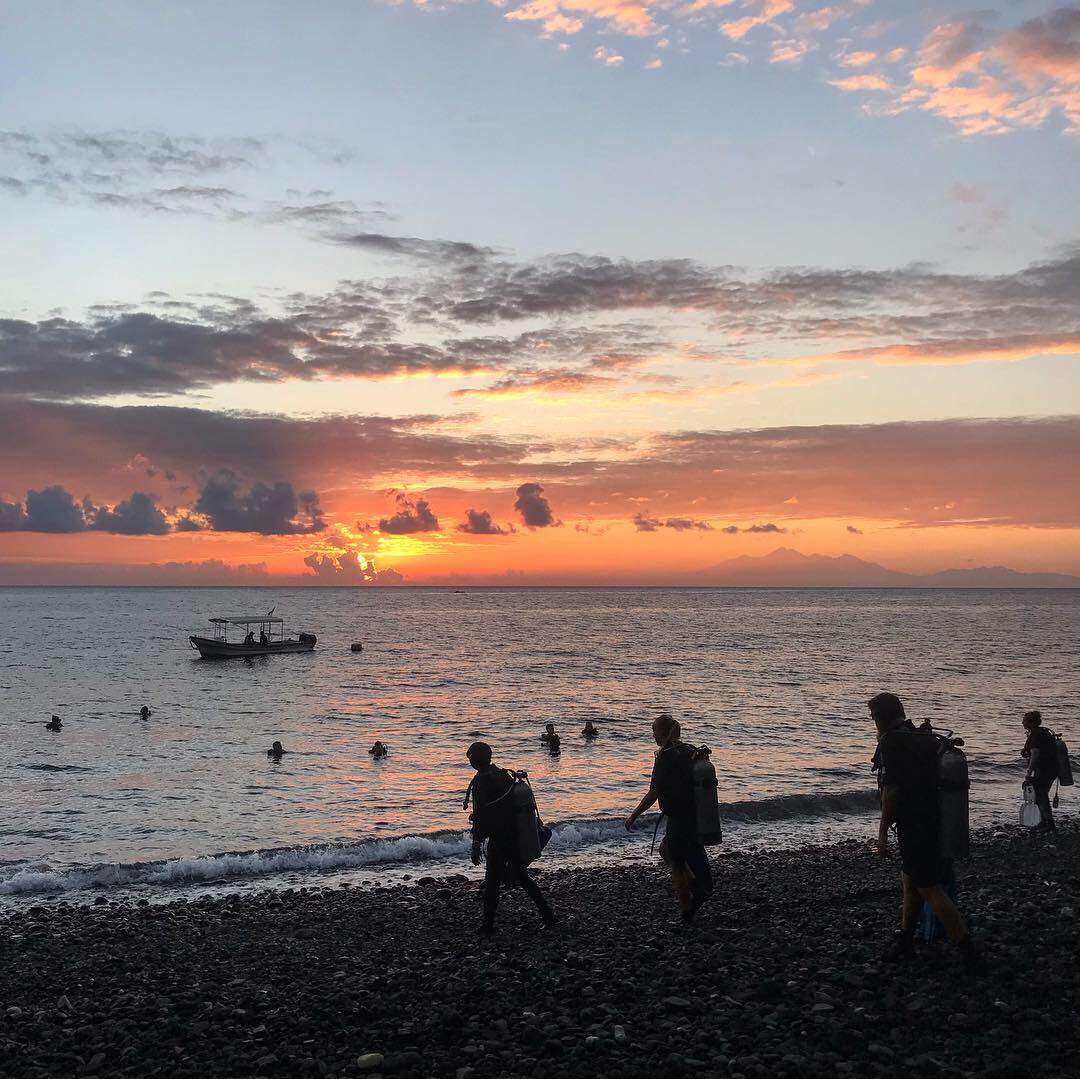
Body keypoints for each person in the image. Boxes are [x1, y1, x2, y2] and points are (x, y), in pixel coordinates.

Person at [870, 692, 983, 972]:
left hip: (915, 824)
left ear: (879, 717)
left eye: (873, 716)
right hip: (936, 818)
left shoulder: (891, 742)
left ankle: (969, 951)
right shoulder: (918, 735)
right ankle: (906, 940)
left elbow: (892, 791)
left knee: (929, 888)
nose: (872, 722)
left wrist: (882, 833)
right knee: (912, 882)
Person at [625, 713, 714, 926]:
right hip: (695, 815)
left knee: (676, 865)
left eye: (654, 730)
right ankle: (696, 886)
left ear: (663, 733)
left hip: (678, 818)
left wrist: (634, 815)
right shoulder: (691, 751)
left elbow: (653, 793)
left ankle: (687, 912)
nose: (652, 734)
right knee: (666, 851)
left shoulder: (664, 756)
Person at [464, 741, 556, 936]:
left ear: (475, 761)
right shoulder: (504, 775)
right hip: (515, 834)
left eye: (471, 759)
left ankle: (488, 925)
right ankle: (548, 915)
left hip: (498, 839)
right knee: (522, 877)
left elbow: (481, 816)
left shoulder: (481, 781)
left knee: (492, 883)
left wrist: (475, 844)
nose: (470, 763)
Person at [1021, 710, 1058, 832]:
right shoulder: (1042, 733)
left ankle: (1049, 823)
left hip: (1045, 769)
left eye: (1024, 720)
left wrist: (1028, 773)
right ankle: (1044, 821)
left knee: (1041, 795)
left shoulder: (1036, 735)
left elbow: (1035, 754)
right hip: (1051, 768)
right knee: (1041, 794)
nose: (1022, 723)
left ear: (1031, 722)